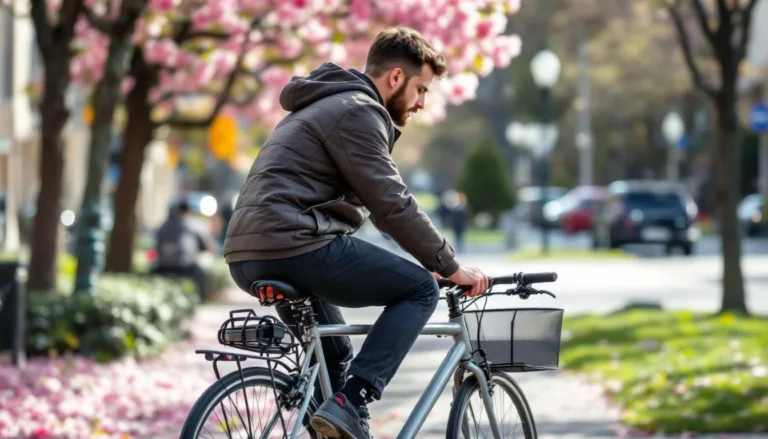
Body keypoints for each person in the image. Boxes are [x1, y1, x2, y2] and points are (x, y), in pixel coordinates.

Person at [224, 26, 489, 439]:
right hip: (297, 245)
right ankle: (354, 400)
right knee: (420, 290)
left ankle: (330, 416)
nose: (421, 103)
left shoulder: (322, 106)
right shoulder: (358, 111)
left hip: (248, 252)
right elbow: (392, 204)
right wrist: (449, 267)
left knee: (334, 353)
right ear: (396, 78)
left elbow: (380, 214)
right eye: (421, 89)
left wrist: (422, 257)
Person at [152, 200, 215, 300]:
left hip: (162, 268)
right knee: (201, 273)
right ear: (188, 211)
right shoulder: (194, 224)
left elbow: (156, 248)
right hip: (186, 268)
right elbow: (206, 247)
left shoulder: (163, 226)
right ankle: (199, 301)